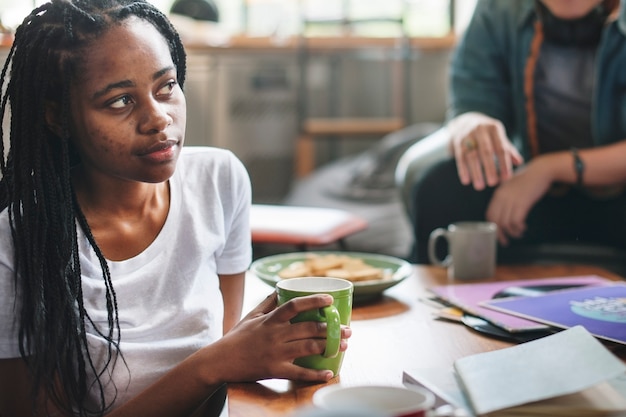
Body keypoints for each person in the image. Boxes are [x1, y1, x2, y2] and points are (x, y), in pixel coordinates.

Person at [0, 1, 351, 416]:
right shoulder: (20, 238)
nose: (158, 118)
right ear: (58, 118)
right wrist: (215, 363)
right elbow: (217, 360)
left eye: (166, 86)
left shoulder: (220, 181)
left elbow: (222, 345)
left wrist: (256, 344)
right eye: (120, 101)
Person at [403, 0, 626, 263]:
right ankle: (444, 298)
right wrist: (470, 123)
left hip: (614, 194)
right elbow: (470, 101)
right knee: (439, 188)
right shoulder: (498, 8)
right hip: (527, 192)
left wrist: (548, 169)